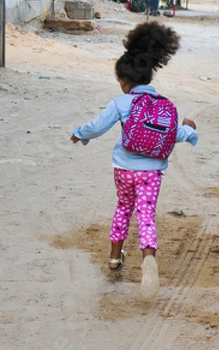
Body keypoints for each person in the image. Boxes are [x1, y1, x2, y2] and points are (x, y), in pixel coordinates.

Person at [70, 21, 198, 300]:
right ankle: (149, 258)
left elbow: (97, 126)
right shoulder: (163, 104)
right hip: (151, 172)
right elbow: (174, 132)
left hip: (124, 169)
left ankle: (115, 258)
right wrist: (190, 130)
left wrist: (79, 134)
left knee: (123, 209)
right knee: (146, 214)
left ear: (124, 82)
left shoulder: (121, 102)